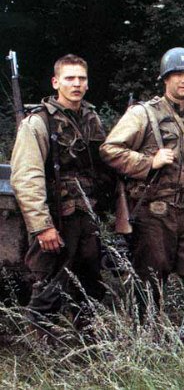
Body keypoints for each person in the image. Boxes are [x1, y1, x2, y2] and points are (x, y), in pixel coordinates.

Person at [100, 47, 184, 338]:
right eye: (178, 74)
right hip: (155, 211)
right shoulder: (143, 114)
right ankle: (147, 338)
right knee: (150, 278)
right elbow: (109, 150)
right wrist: (148, 162)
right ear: (165, 78)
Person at [11, 54, 110, 340]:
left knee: (89, 283)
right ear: (56, 82)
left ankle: (87, 345)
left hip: (87, 215)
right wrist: (42, 226)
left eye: (81, 78)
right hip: (56, 218)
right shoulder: (38, 123)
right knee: (49, 286)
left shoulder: (90, 118)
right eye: (69, 78)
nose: (76, 84)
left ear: (87, 83)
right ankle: (42, 351)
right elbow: (27, 178)